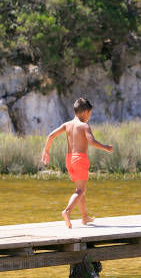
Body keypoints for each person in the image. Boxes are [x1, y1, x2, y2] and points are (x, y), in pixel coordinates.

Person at [42, 97, 113, 228]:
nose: (90, 117)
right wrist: (106, 147)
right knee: (80, 190)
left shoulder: (67, 125)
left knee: (80, 190)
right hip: (80, 159)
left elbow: (50, 135)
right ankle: (67, 211)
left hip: (69, 159)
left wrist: (46, 151)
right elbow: (92, 142)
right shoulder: (84, 126)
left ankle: (84, 217)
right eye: (90, 114)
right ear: (85, 112)